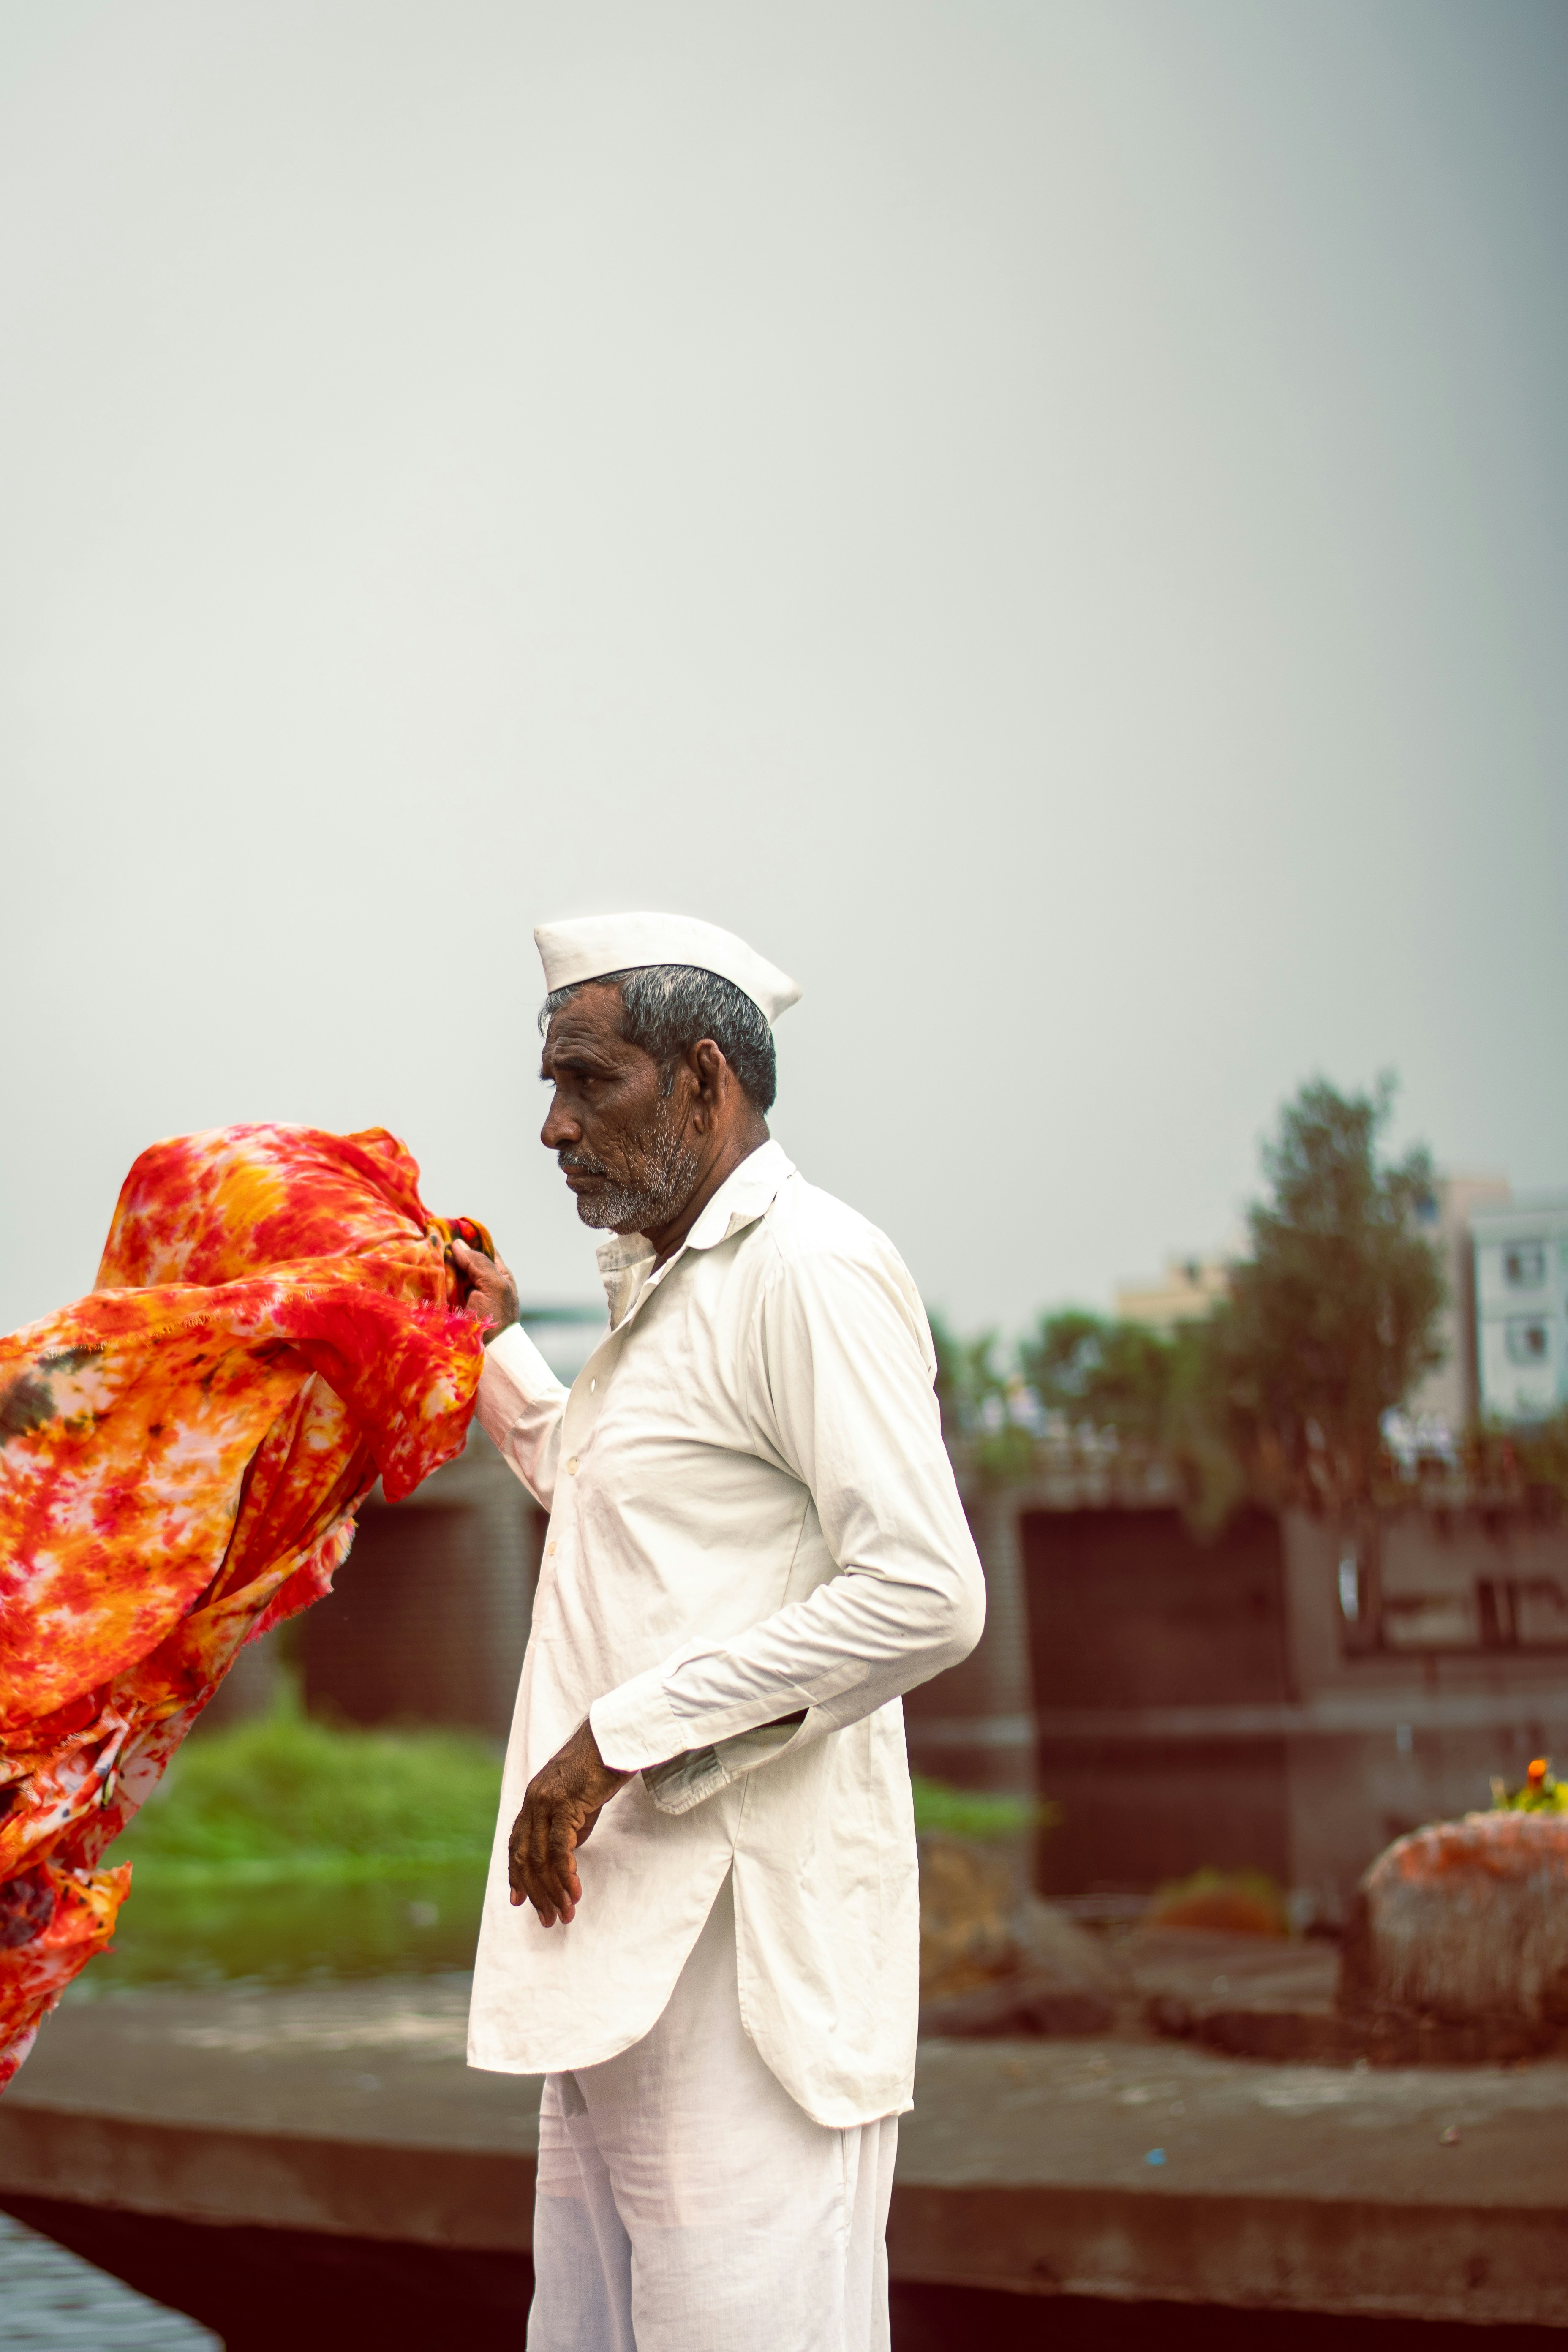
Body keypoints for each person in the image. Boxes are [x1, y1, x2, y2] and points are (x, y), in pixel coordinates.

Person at [453, 912, 985, 2352]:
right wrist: (495, 1340)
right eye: (550, 1085)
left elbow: (926, 1590)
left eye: (588, 1080)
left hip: (748, 1969)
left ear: (703, 1083)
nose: (552, 1126)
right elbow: (612, 1501)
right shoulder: (670, 1285)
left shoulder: (807, 1269)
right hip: (627, 1951)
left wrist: (613, 1743)